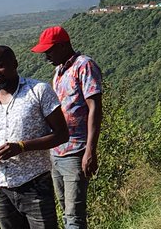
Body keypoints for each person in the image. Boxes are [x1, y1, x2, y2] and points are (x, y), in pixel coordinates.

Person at [0, 46, 69, 229]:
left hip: (34, 184)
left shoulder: (38, 91)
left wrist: (21, 146)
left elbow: (62, 134)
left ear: (15, 64)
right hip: (0, 188)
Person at [30, 26, 103, 229]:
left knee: (74, 216)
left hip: (76, 151)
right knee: (65, 211)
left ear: (63, 46)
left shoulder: (84, 66)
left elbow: (94, 107)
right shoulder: (59, 72)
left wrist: (90, 150)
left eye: (50, 51)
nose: (46, 57)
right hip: (57, 152)